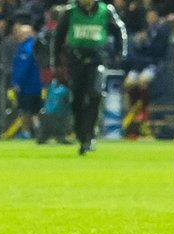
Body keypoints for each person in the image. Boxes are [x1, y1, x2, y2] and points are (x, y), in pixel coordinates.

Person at [54, 0, 127, 155]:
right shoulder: (70, 12)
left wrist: (120, 53)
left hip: (97, 59)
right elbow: (58, 37)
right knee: (77, 99)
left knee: (95, 94)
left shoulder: (105, 11)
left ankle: (90, 134)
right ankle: (81, 134)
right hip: (76, 60)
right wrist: (55, 62)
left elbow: (119, 30)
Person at [11, 25, 42, 139]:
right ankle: (37, 131)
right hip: (35, 85)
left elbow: (23, 68)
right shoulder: (28, 46)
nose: (19, 35)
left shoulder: (27, 48)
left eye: (22, 33)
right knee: (34, 111)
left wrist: (17, 82)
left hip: (27, 86)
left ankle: (26, 132)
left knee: (25, 110)